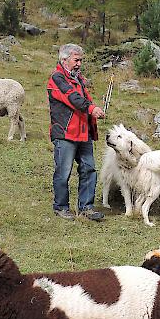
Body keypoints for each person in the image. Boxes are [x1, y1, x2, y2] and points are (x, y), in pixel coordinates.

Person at [47, 44, 106, 221]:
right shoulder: (57, 79)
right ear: (64, 60)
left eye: (81, 60)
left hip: (83, 133)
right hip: (65, 133)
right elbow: (73, 98)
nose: (79, 64)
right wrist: (92, 108)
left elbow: (82, 99)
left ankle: (86, 208)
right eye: (76, 60)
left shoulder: (77, 78)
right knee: (63, 172)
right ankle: (61, 207)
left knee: (89, 170)